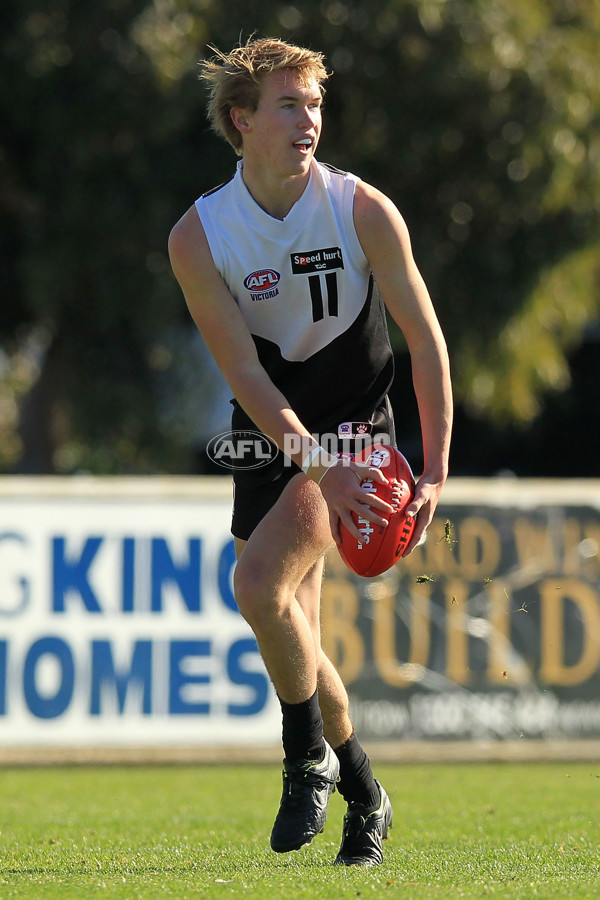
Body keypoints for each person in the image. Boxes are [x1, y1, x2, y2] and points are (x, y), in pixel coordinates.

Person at [168, 37, 452, 866]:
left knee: (257, 584)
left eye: (316, 105)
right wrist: (306, 459)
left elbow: (425, 342)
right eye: (290, 105)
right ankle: (364, 791)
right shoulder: (199, 237)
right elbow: (247, 375)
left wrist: (433, 466)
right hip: (271, 425)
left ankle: (303, 761)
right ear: (241, 120)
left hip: (358, 420)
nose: (310, 121)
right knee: (292, 623)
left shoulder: (362, 208)